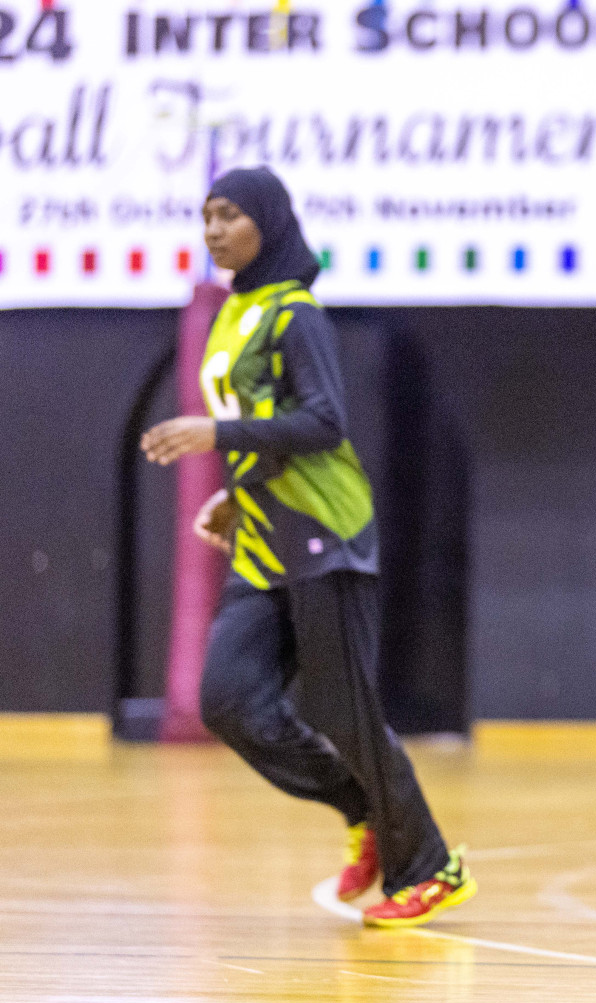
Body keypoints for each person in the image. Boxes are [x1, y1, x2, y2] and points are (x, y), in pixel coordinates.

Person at [140, 166, 475, 928]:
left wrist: (217, 437)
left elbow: (323, 421)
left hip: (323, 530)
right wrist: (235, 491)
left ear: (270, 222)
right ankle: (363, 810)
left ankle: (432, 866)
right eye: (207, 216)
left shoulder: (295, 315)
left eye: (230, 215)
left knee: (342, 708)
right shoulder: (235, 311)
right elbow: (265, 415)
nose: (214, 229)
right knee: (227, 699)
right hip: (264, 541)